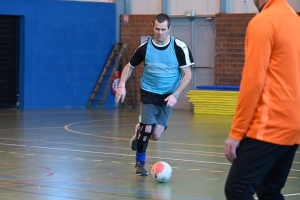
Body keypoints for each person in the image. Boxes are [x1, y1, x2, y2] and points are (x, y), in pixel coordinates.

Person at [224, 0, 300, 199]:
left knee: (237, 189)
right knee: (269, 191)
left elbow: (253, 82)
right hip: (294, 127)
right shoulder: (295, 20)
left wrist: (237, 132)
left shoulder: (263, 22)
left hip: (270, 125)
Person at [115, 13, 194, 176]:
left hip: (168, 95)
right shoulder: (145, 48)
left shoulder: (179, 47)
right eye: (157, 29)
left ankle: (139, 130)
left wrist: (176, 95)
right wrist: (122, 84)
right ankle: (140, 163)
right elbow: (130, 66)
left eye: (163, 29)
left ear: (169, 28)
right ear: (153, 27)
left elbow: (188, 74)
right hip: (149, 92)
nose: (160, 32)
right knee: (147, 129)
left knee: (156, 135)